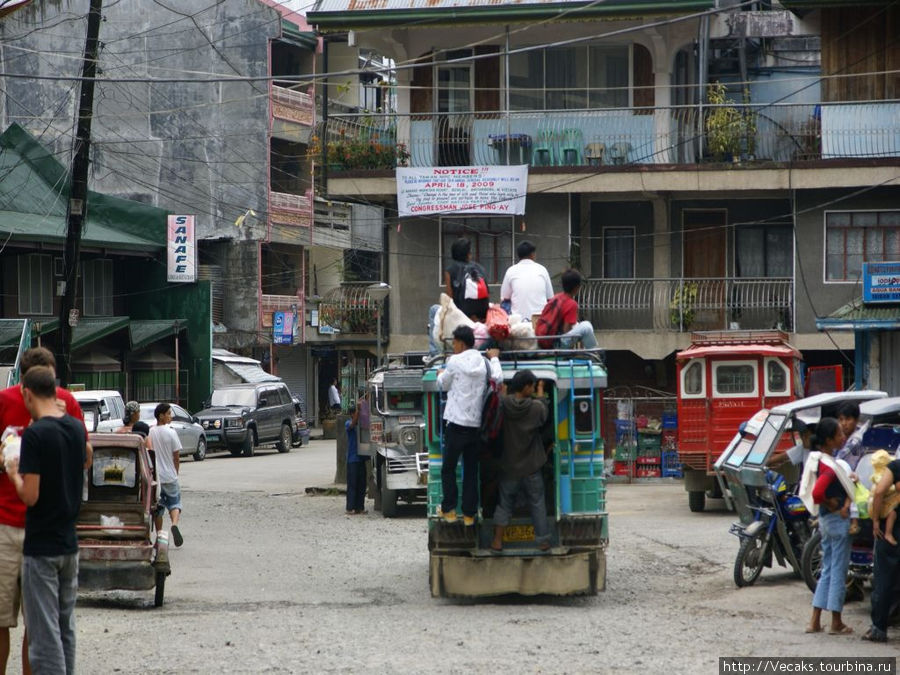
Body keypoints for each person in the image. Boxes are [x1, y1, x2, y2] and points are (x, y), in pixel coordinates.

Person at [0, 347, 88, 675]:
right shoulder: (72, 427)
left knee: (41, 629)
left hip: (39, 538)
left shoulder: (45, 427)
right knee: (58, 623)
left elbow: (32, 495)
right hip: (48, 535)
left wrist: (13, 471)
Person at [436, 327, 501, 526]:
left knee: (448, 469)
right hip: (474, 426)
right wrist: (495, 358)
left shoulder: (453, 361)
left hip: (455, 425)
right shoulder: (484, 363)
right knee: (471, 471)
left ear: (461, 344)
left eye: (454, 343)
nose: (453, 346)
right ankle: (469, 515)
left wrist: (440, 374)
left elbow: (443, 384)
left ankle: (448, 509)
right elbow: (498, 378)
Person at [490, 370, 551, 552]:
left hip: (510, 467)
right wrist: (541, 391)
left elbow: (499, 401)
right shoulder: (535, 408)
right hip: (532, 467)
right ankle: (543, 542)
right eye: (532, 385)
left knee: (504, 504)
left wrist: (502, 390)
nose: (533, 388)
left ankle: (497, 541)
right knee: (537, 503)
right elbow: (544, 413)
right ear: (526, 387)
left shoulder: (504, 403)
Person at [805, 418, 854, 636]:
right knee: (838, 570)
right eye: (839, 435)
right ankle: (836, 622)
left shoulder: (817, 459)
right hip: (836, 521)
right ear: (828, 440)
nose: (843, 437)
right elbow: (817, 493)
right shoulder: (830, 468)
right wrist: (832, 503)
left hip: (824, 522)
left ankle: (815, 620)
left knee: (827, 569)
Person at [864, 450, 900, 642]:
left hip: (892, 531)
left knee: (884, 579)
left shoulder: (896, 467)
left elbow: (879, 491)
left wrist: (876, 521)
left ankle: (879, 627)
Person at [148, 403, 184, 547]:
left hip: (157, 477)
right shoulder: (171, 432)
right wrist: (176, 472)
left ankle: (160, 536)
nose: (171, 416)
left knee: (158, 509)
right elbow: (176, 456)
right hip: (170, 476)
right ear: (161, 415)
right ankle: (174, 524)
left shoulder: (151, 432)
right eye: (168, 413)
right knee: (175, 504)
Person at [536, 269, 597, 349]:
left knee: (580, 326)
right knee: (586, 326)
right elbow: (566, 330)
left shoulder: (556, 298)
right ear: (577, 287)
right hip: (555, 344)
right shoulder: (571, 304)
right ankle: (594, 352)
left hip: (542, 340)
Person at [499, 240, 553, 321]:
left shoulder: (511, 271)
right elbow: (550, 298)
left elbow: (504, 297)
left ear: (518, 255)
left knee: (505, 304)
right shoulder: (542, 270)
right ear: (532, 254)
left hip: (518, 322)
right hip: (540, 321)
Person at [443, 238, 489, 322]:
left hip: (461, 316)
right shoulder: (480, 268)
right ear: (468, 254)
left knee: (434, 309)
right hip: (482, 316)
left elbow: (449, 298)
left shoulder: (450, 270)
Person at [345, 404, 368, 515]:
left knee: (362, 484)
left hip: (361, 459)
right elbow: (352, 425)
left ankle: (360, 507)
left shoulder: (362, 425)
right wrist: (359, 411)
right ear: (352, 414)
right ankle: (350, 508)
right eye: (355, 413)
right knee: (352, 484)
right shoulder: (348, 423)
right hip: (352, 459)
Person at [835, 402, 865, 470]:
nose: (843, 423)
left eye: (848, 419)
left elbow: (836, 461)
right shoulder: (842, 436)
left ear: (856, 420)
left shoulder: (856, 440)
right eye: (841, 419)